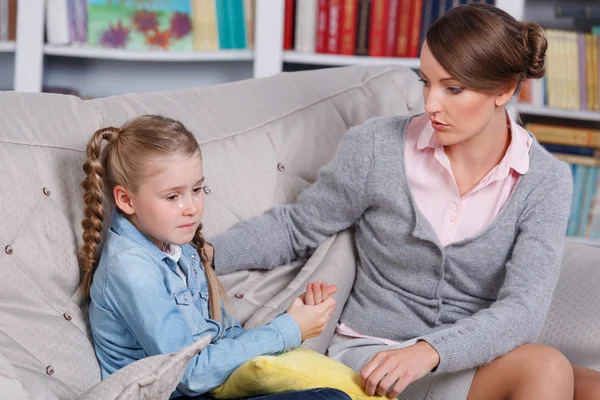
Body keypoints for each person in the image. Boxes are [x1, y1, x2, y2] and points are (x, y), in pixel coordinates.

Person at [205, 4, 600, 400]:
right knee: (545, 368)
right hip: (377, 353)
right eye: (425, 81)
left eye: (453, 88)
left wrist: (430, 351)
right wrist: (201, 254)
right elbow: (297, 227)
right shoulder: (377, 147)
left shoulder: (545, 180)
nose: (430, 103)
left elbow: (524, 310)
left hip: (462, 354)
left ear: (505, 91)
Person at [80, 115, 350, 400]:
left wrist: (294, 320)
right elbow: (190, 374)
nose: (192, 208)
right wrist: (288, 330)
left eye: (197, 190)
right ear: (126, 200)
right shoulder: (132, 270)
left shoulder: (179, 247)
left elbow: (224, 338)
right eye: (173, 197)